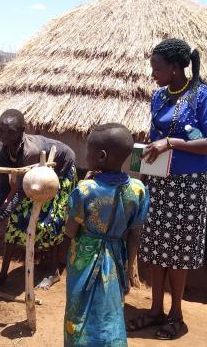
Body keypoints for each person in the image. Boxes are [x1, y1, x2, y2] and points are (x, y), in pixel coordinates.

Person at [125, 38, 207, 340]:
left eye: (156, 68)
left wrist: (172, 143)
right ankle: (155, 310)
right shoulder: (158, 97)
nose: (152, 73)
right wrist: (141, 168)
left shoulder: (201, 96)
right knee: (156, 247)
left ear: (174, 67)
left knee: (178, 252)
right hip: (159, 181)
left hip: (189, 185)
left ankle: (176, 314)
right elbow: (153, 136)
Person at [63, 123, 149, 347]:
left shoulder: (84, 191)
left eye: (88, 150)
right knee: (109, 310)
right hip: (116, 258)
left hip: (84, 259)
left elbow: (70, 231)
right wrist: (130, 268)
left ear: (101, 156)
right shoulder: (139, 189)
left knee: (79, 309)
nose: (85, 154)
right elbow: (134, 235)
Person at [0, 109, 76, 289]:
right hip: (31, 179)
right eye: (0, 130)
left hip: (60, 171)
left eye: (10, 132)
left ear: (23, 130)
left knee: (49, 220)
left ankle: (53, 272)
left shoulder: (31, 151)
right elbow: (2, 187)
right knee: (15, 222)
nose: (4, 136)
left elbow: (22, 192)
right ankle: (2, 274)